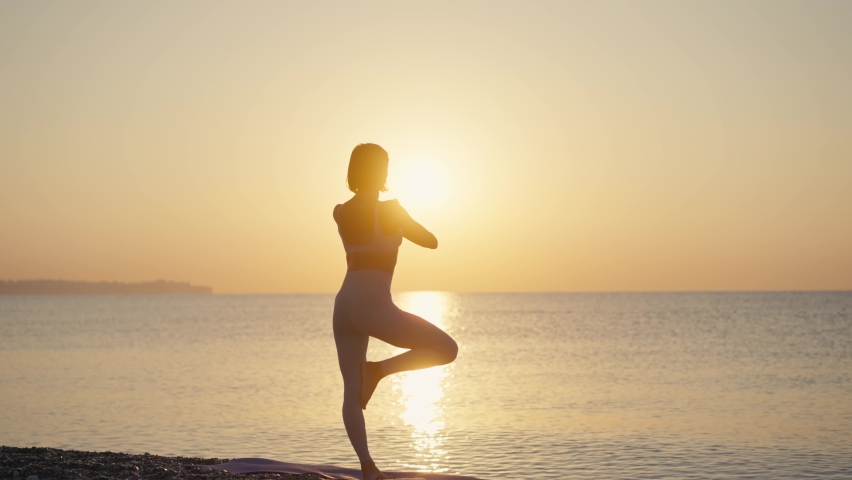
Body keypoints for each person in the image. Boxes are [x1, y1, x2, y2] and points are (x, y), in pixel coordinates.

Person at [332, 143, 459, 480]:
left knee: (349, 389)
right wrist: (401, 218)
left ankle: (368, 467)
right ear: (380, 171)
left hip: (344, 304)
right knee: (447, 350)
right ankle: (380, 371)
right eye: (385, 166)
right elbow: (430, 240)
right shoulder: (390, 210)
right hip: (373, 304)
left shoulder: (339, 211)